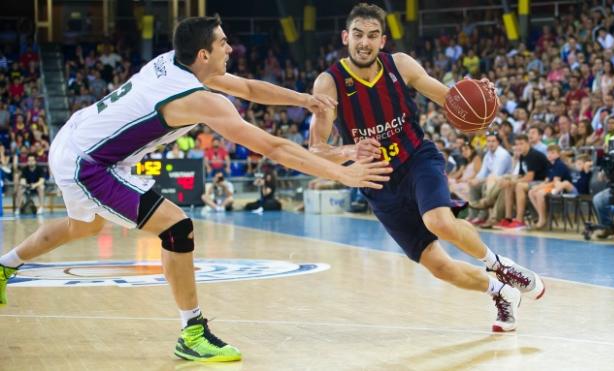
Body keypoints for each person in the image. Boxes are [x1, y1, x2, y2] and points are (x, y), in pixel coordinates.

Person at [0, 16, 392, 363]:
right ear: (204, 54)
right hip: (88, 163)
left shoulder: (175, 63)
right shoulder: (196, 99)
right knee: (177, 228)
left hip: (75, 136)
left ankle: (4, 266)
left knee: (83, 227)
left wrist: (305, 100)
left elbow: (251, 89)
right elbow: (272, 147)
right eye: (223, 42)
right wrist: (340, 173)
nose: (230, 47)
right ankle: (192, 332)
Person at [309, 3, 545, 333]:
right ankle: (502, 292)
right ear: (346, 37)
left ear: (383, 40)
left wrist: (480, 104)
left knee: (438, 220)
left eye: (373, 36)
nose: (365, 42)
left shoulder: (399, 65)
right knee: (439, 267)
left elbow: (452, 101)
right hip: (377, 182)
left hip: (417, 158)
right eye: (358, 35)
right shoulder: (329, 83)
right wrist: (350, 149)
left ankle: (500, 266)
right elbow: (316, 148)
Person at [527, 145, 573, 229]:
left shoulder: (559, 164)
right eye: (548, 153)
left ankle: (542, 220)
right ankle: (543, 216)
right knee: (531, 192)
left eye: (553, 153)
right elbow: (546, 181)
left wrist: (539, 188)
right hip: (553, 187)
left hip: (562, 188)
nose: (550, 155)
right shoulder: (550, 165)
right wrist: (537, 186)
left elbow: (555, 183)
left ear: (558, 154)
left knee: (539, 193)